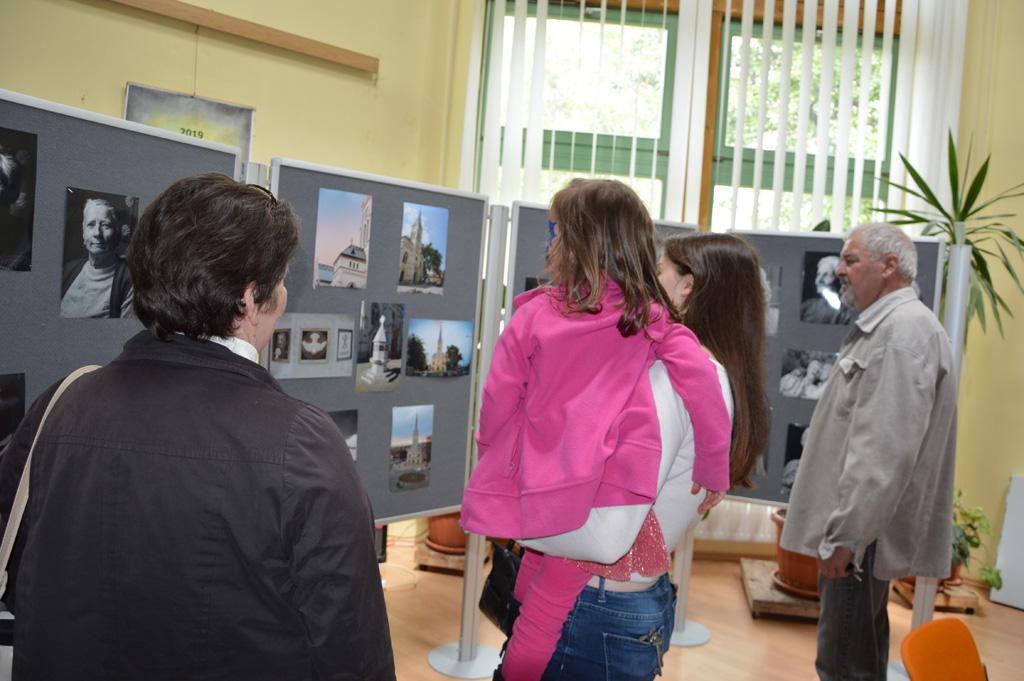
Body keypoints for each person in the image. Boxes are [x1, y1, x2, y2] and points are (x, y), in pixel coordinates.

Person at [0, 174, 396, 681]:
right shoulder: (301, 443)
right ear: (249, 299)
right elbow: (352, 652)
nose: (281, 297)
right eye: (279, 283)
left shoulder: (60, 403)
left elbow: (20, 577)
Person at [460, 179, 733, 681]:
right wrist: (714, 468)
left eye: (555, 232)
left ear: (572, 244)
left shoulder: (535, 313)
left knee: (535, 589)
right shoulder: (648, 318)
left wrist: (496, 466)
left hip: (540, 480)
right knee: (551, 593)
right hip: (601, 489)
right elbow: (703, 387)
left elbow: (496, 402)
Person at [514, 232, 771, 680]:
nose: (648, 278)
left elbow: (614, 507)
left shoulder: (677, 377)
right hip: (620, 596)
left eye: (660, 269)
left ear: (687, 286)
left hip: (596, 600)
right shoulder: (710, 373)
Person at [781, 223, 957, 681]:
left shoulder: (901, 336)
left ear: (889, 266)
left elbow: (883, 452)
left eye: (851, 260)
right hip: (864, 534)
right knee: (859, 655)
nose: (841, 270)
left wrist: (846, 538)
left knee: (843, 665)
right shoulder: (891, 328)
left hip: (860, 540)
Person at [60, 197, 134, 318]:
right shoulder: (68, 269)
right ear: (83, 232)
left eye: (105, 225)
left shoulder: (129, 280)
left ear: (116, 232)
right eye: (91, 225)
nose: (97, 233)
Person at [800, 254, 851, 324]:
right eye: (818, 274)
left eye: (826, 275)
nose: (819, 280)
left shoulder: (847, 313)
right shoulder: (807, 305)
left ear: (839, 281)